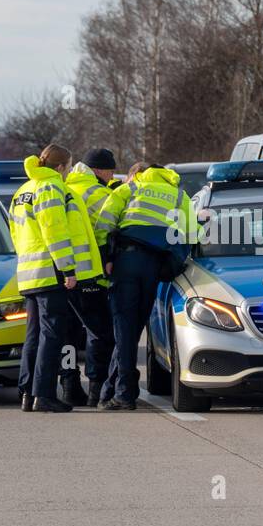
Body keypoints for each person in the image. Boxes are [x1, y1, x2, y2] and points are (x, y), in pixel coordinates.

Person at [9, 144, 103, 413]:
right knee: (52, 335)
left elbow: (15, 233)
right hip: (50, 272)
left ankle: (27, 393)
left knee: (34, 335)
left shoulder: (23, 190)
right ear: (60, 167)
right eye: (69, 167)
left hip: (29, 273)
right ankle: (44, 394)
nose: (69, 173)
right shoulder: (50, 188)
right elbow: (55, 232)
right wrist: (68, 269)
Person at [102, 163, 197, 410]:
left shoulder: (131, 187)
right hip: (154, 266)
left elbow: (104, 223)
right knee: (135, 326)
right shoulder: (178, 195)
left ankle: (122, 393)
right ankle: (117, 389)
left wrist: (107, 258)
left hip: (126, 261)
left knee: (124, 326)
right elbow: (192, 233)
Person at [62, 148, 123, 406]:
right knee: (100, 334)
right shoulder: (98, 193)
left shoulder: (65, 188)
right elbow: (113, 228)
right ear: (98, 170)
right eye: (109, 170)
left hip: (61, 275)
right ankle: (96, 391)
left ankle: (69, 387)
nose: (111, 175)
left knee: (67, 335)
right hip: (90, 276)